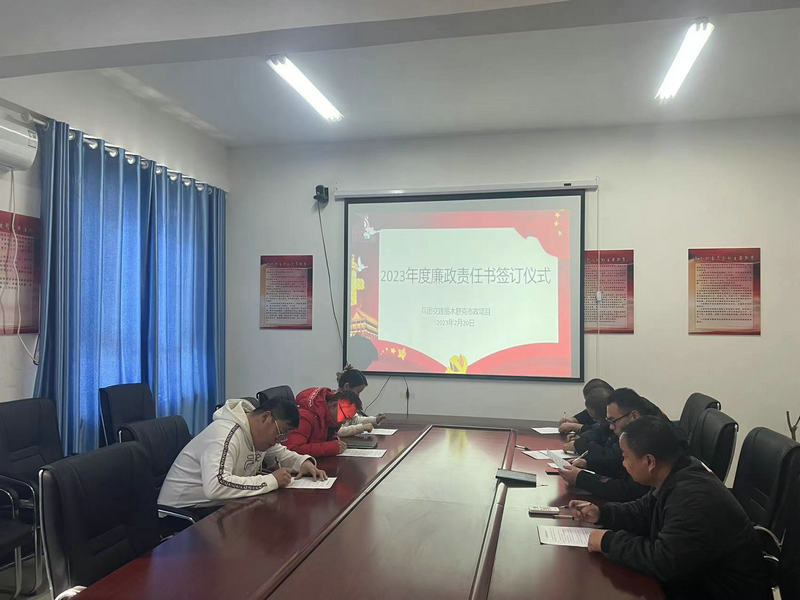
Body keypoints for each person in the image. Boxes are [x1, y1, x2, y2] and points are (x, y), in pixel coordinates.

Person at [569, 416, 771, 599]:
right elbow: (644, 510)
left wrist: (608, 541)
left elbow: (663, 562)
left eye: (626, 456)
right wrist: (602, 513)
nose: (623, 463)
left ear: (649, 461)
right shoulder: (677, 472)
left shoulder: (692, 498)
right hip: (697, 582)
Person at [158, 396, 326, 510]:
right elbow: (216, 486)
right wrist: (272, 480)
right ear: (265, 417)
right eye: (280, 433)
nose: (279, 440)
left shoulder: (258, 434)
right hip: (183, 516)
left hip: (217, 507)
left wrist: (303, 463)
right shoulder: (224, 434)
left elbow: (281, 454)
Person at [559, 388, 658, 501]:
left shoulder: (651, 439)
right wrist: (589, 464)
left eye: (613, 421)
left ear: (634, 416)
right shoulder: (638, 427)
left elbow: (629, 491)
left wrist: (581, 478)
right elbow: (619, 466)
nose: (610, 427)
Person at [285, 387, 360, 457]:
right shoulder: (304, 417)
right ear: (334, 405)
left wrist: (334, 441)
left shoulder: (331, 418)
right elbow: (292, 450)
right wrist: (331, 448)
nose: (344, 422)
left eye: (349, 418)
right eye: (345, 416)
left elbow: (326, 437)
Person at [333, 365, 387, 437]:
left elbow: (355, 420)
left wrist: (375, 419)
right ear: (346, 386)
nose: (358, 396)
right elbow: (337, 431)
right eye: (357, 392)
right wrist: (361, 428)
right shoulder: (333, 404)